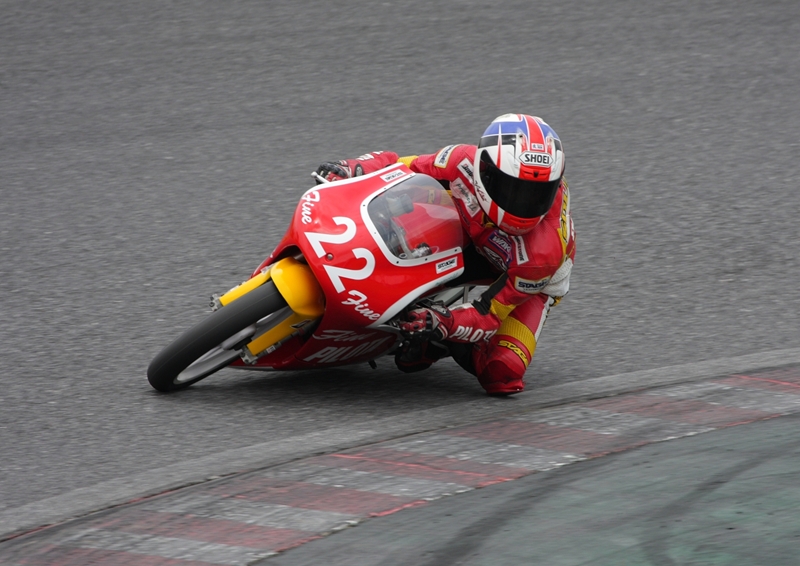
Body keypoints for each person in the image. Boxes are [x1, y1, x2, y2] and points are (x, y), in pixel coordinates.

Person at [315, 114, 575, 395]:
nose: (524, 204)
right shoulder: (462, 161)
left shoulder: (542, 255)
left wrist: (442, 323)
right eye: (514, 189)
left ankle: (436, 344)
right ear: (486, 170)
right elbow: (402, 167)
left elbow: (487, 314)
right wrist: (354, 167)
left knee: (502, 372)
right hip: (472, 230)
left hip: (526, 280)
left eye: (537, 194)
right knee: (409, 196)